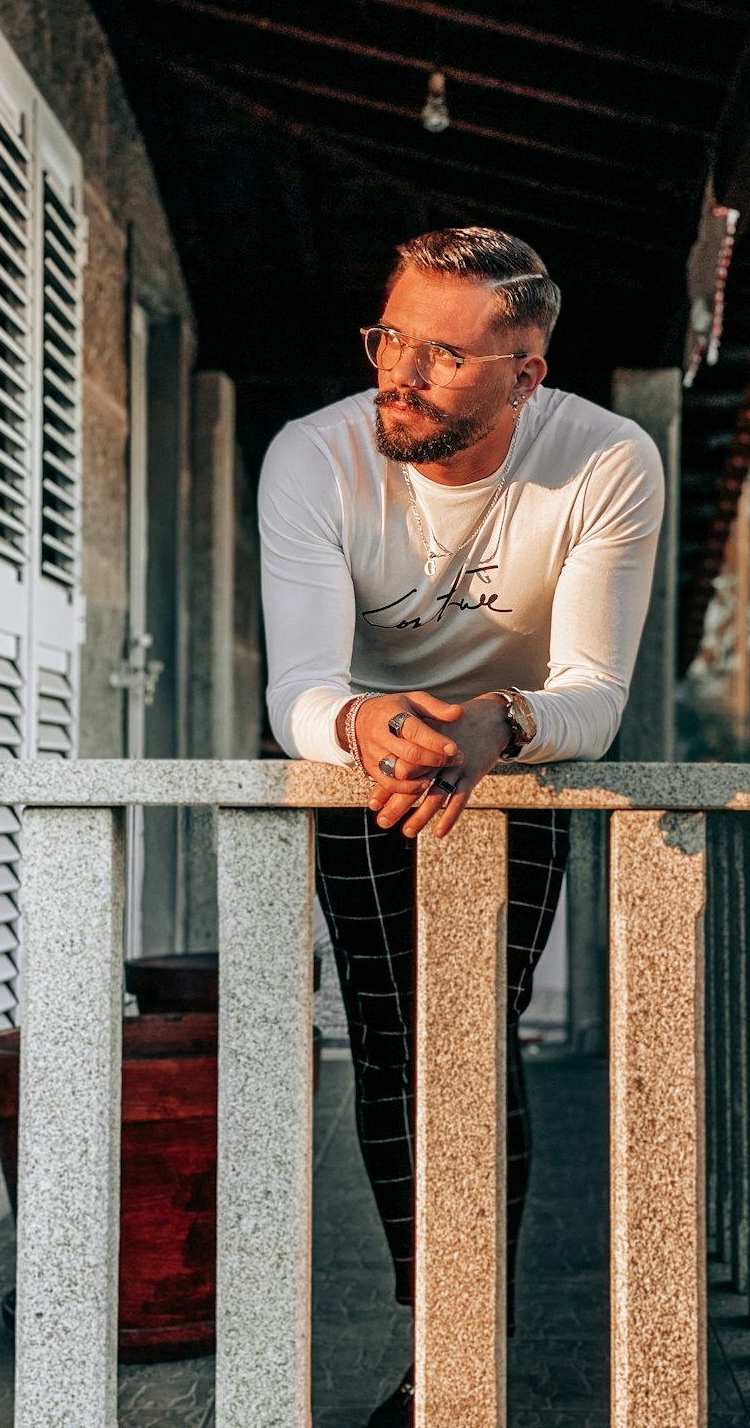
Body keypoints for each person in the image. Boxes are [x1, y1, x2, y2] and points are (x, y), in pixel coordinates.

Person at [258, 226, 664, 1426]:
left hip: (519, 764)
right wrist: (374, 723)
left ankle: (457, 1354)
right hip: (360, 760)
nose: (400, 370)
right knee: (391, 1033)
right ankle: (430, 1327)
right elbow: (297, 689)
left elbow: (594, 690)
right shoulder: (313, 455)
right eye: (389, 336)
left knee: (475, 1032)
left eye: (441, 355)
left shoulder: (604, 459)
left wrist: (500, 719)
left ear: (525, 374)